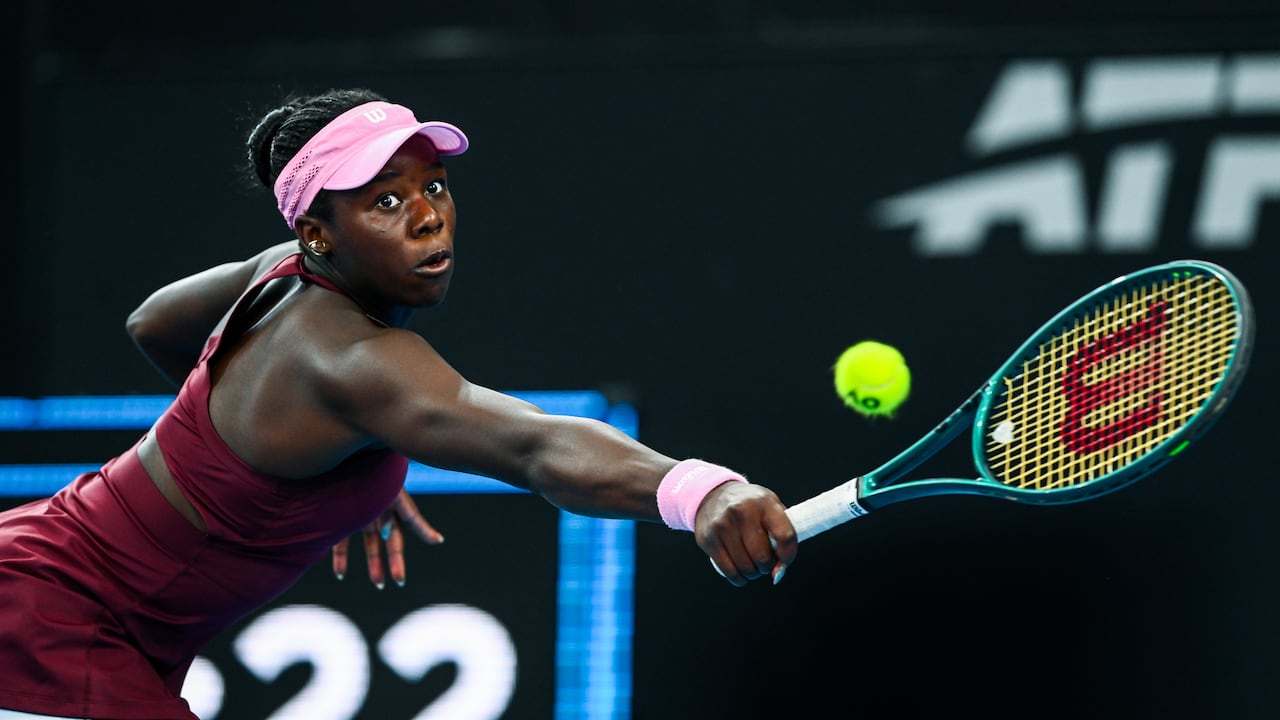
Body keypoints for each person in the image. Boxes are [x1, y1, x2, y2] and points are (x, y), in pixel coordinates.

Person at [0, 88, 798, 720]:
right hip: (47, 622)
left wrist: (316, 462)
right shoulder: (352, 362)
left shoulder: (278, 270)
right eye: (385, 201)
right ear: (320, 232)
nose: (427, 216)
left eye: (434, 187)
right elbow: (533, 445)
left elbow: (153, 323)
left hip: (55, 590)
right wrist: (703, 491)